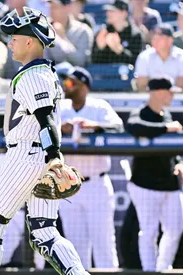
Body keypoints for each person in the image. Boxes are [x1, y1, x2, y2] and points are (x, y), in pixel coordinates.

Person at [0, 7, 88, 275]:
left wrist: (54, 157)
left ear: (30, 41)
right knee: (44, 231)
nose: (10, 41)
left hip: (27, 157)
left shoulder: (31, 75)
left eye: (14, 36)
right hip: (40, 156)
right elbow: (23, 118)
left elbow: (46, 119)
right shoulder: (44, 73)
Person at [58, 67, 122, 270]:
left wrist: (94, 126)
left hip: (96, 184)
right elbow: (39, 129)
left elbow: (119, 128)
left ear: (83, 87)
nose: (66, 86)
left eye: (71, 82)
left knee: (104, 245)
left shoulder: (99, 107)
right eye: (65, 82)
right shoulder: (60, 107)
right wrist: (60, 128)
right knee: (75, 249)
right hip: (69, 186)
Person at [126, 76, 183, 272]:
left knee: (175, 229)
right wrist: (165, 128)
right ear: (158, 92)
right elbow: (134, 127)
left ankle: (163, 267)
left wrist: (178, 163)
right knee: (149, 232)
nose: (172, 95)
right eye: (169, 91)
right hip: (145, 185)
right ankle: (150, 270)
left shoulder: (166, 115)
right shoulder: (141, 114)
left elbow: (172, 147)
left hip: (169, 184)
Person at [134, 24, 183, 92]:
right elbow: (142, 87)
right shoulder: (144, 57)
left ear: (170, 40)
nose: (155, 39)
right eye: (154, 37)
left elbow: (181, 88)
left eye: (159, 37)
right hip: (151, 99)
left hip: (175, 101)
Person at [91, 0, 144, 64]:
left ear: (124, 13)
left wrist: (119, 50)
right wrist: (99, 48)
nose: (108, 13)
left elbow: (137, 63)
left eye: (112, 11)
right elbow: (94, 61)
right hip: (105, 74)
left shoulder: (135, 34)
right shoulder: (103, 32)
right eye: (108, 11)